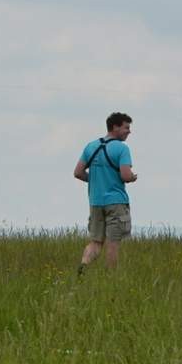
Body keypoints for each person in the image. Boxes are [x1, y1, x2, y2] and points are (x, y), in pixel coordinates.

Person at [73, 112, 136, 275]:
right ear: (115, 127)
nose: (129, 131)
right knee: (113, 243)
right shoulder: (122, 149)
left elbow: (78, 172)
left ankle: (83, 266)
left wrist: (95, 180)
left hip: (95, 202)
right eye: (126, 128)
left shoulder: (91, 146)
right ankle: (111, 277)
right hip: (116, 202)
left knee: (96, 242)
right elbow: (125, 175)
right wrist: (132, 177)